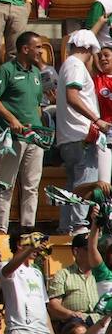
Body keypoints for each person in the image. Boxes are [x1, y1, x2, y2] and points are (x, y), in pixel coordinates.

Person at [0, 31, 47, 240]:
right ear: (25, 49)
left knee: (32, 186)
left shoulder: (37, 73)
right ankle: (0, 229)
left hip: (35, 136)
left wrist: (38, 126)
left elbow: (38, 105)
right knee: (6, 184)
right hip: (13, 138)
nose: (41, 51)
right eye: (38, 47)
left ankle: (28, 230)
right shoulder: (6, 70)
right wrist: (12, 120)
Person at [57, 30, 107, 232]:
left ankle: (66, 226)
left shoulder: (68, 65)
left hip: (70, 135)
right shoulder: (76, 66)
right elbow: (72, 96)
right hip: (81, 134)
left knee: (72, 185)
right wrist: (97, 119)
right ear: (88, 48)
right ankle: (78, 226)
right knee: (84, 183)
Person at [0, 235, 58, 334]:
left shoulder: (37, 273)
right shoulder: (5, 265)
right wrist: (30, 248)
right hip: (21, 331)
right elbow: (7, 271)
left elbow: (43, 308)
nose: (38, 248)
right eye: (34, 241)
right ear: (20, 244)